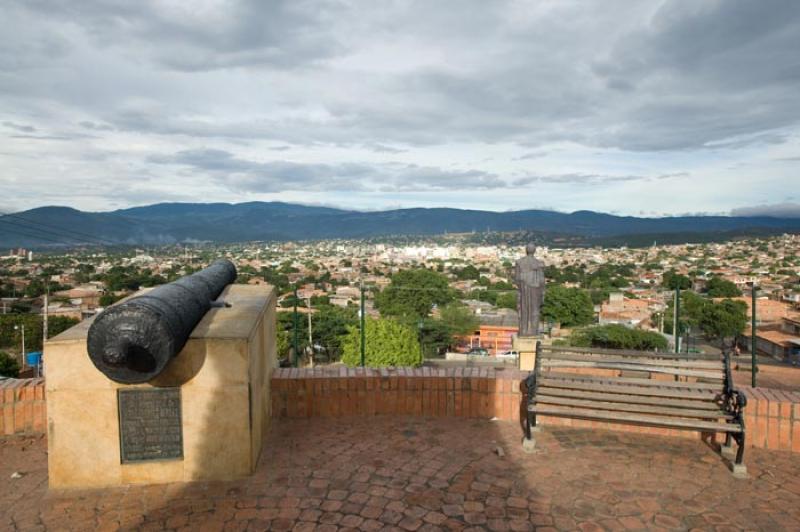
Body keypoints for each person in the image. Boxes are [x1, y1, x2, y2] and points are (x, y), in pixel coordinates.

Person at [514, 244, 545, 336]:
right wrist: (543, 293)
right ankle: (534, 331)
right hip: (536, 289)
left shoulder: (519, 262)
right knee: (535, 310)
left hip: (523, 288)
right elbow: (542, 280)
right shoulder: (539, 263)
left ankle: (524, 331)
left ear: (526, 250)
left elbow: (517, 278)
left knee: (523, 310)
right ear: (534, 251)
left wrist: (522, 286)